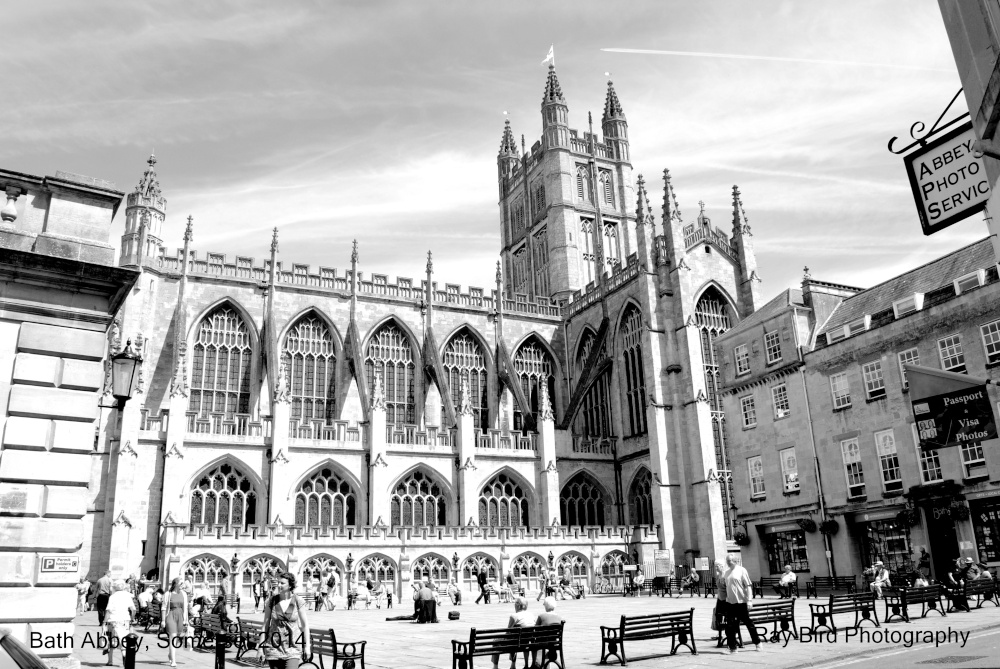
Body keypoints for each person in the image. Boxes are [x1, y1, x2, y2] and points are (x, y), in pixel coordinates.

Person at [257, 572, 311, 669]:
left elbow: (305, 625)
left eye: (282, 583)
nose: (279, 585)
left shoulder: (298, 601)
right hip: (273, 648)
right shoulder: (271, 601)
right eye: (278, 582)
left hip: (293, 649)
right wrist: (260, 648)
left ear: (290, 585)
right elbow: (265, 626)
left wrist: (307, 647)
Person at [723, 554, 761, 654]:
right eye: (727, 560)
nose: (728, 562)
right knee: (730, 626)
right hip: (730, 603)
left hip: (741, 602)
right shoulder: (726, 573)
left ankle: (757, 642)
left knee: (748, 623)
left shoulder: (742, 570)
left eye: (730, 560)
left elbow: (748, 586)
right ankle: (733, 648)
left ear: (735, 561)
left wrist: (749, 600)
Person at [492, 596, 533, 669]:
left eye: (515, 604)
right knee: (515, 639)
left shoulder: (514, 616)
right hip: (526, 642)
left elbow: (508, 632)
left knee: (496, 641)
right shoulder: (531, 615)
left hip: (515, 643)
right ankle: (518, 665)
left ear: (518, 605)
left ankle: (495, 667)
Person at [103, 580, 135, 667]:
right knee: (123, 640)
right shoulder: (127, 596)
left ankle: (110, 661)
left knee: (111, 640)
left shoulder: (112, 597)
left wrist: (104, 622)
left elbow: (108, 611)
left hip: (114, 621)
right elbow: (133, 610)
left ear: (115, 587)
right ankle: (124, 657)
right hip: (125, 621)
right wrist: (131, 619)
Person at [162, 577, 188, 668]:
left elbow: (185, 608)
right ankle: (173, 660)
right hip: (171, 616)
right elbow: (164, 608)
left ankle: (170, 654)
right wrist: (163, 620)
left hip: (180, 616)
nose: (183, 585)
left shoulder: (184, 594)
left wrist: (186, 620)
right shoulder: (168, 594)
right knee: (173, 637)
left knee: (176, 638)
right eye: (181, 583)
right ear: (175, 584)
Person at [532, 597, 562, 667]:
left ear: (546, 605)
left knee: (533, 645)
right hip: (554, 642)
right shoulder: (559, 618)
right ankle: (548, 661)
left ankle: (535, 664)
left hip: (542, 641)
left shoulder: (541, 616)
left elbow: (535, 630)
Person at [713, 560, 727, 640]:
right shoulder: (718, 575)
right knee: (717, 614)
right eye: (715, 566)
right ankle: (719, 632)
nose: (716, 568)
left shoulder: (726, 575)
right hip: (720, 597)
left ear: (722, 566)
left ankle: (730, 632)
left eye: (717, 566)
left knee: (726, 616)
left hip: (726, 598)